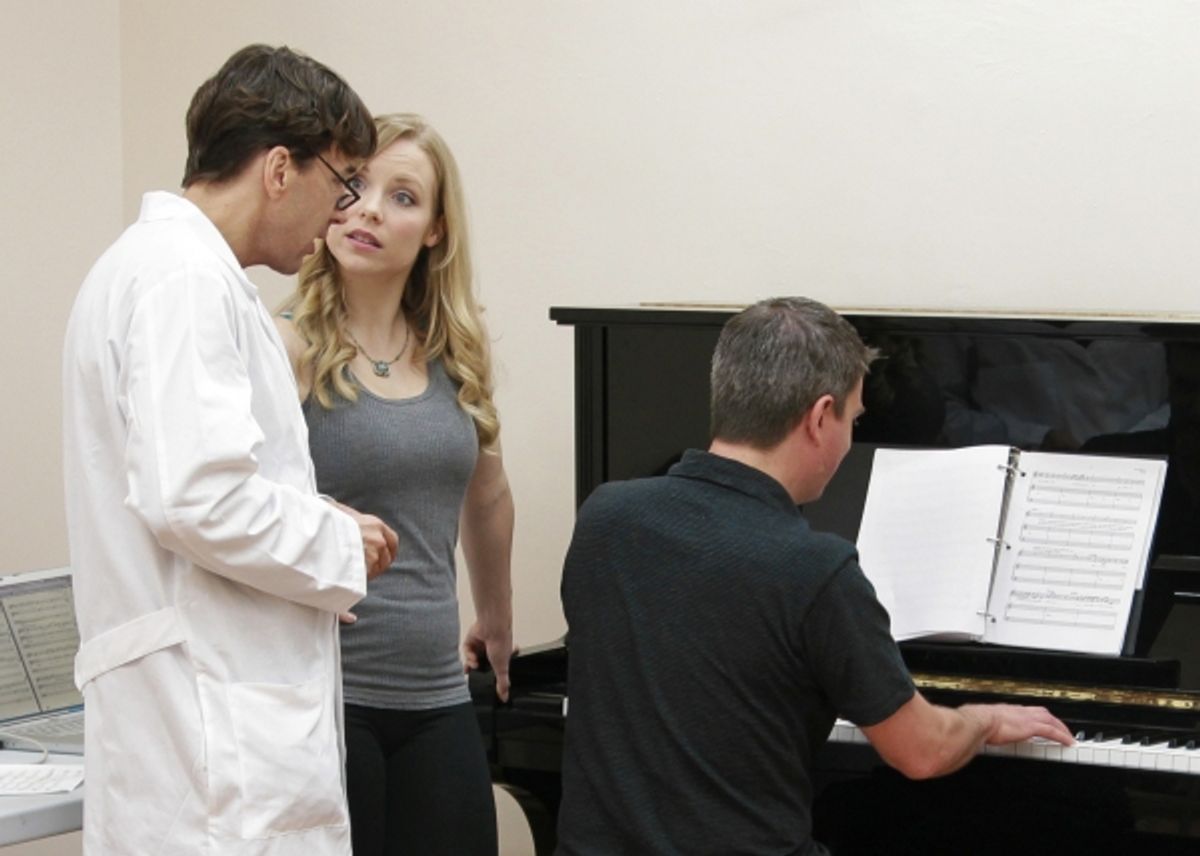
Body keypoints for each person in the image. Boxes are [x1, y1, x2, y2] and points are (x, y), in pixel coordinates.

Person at [556, 297, 1074, 855]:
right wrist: (983, 719)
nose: (850, 439)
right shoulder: (815, 569)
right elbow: (921, 752)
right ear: (819, 416)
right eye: (852, 419)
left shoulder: (605, 516)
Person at [62, 45, 399, 856]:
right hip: (210, 751)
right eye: (343, 182)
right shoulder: (182, 279)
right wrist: (333, 540)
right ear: (281, 169)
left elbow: (192, 482)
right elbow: (196, 498)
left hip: (203, 732)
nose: (344, 213)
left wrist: (311, 513)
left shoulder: (167, 272)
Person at [276, 113, 515, 856]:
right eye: (353, 186)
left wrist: (497, 617)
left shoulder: (457, 355)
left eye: (403, 196)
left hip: (437, 694)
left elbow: (489, 493)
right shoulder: (289, 346)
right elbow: (246, 504)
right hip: (326, 699)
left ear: (437, 229)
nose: (370, 209)